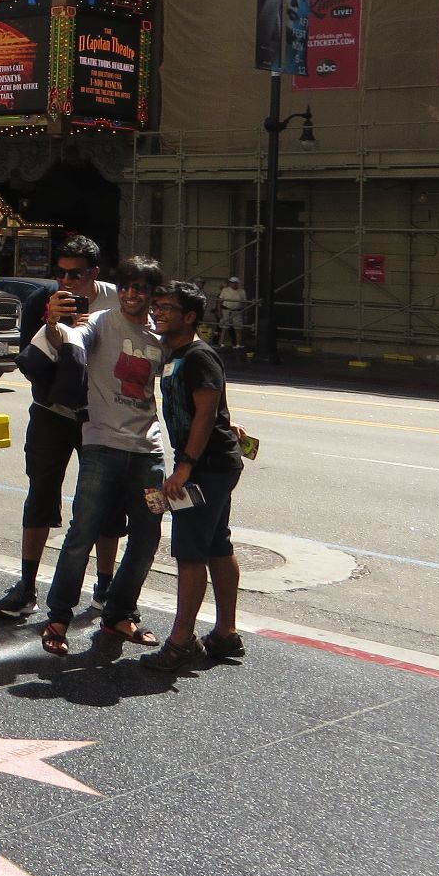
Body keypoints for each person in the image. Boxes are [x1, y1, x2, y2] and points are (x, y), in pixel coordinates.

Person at [36, 256, 168, 656]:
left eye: (141, 288)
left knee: (146, 539)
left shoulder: (160, 337)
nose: (132, 294)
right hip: (100, 445)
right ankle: (59, 616)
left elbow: (181, 386)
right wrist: (54, 325)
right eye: (126, 286)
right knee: (82, 535)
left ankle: (120, 612)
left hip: (149, 451)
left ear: (151, 294)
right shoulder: (98, 321)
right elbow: (64, 343)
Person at [0, 236, 122, 618]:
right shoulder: (43, 302)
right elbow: (32, 361)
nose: (68, 282)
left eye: (77, 274)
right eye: (61, 273)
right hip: (52, 411)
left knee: (107, 503)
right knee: (40, 495)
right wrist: (54, 325)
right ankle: (27, 587)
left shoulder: (118, 301)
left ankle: (105, 586)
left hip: (100, 415)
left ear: (95, 273)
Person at [142, 281, 248, 671]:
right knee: (218, 545)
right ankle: (225, 634)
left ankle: (181, 641)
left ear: (189, 316)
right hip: (214, 461)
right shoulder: (177, 354)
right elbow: (213, 407)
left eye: (168, 307)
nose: (159, 312)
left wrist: (184, 466)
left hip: (206, 466)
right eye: (158, 305)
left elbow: (205, 414)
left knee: (190, 553)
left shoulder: (199, 356)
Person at [217, 276, 250, 350]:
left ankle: (238, 344)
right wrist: (219, 311)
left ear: (238, 283)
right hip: (226, 310)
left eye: (235, 283)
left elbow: (245, 303)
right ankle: (221, 343)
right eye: (232, 283)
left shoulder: (242, 291)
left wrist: (245, 314)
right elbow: (220, 301)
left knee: (238, 328)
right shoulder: (225, 290)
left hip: (237, 311)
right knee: (224, 327)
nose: (233, 284)